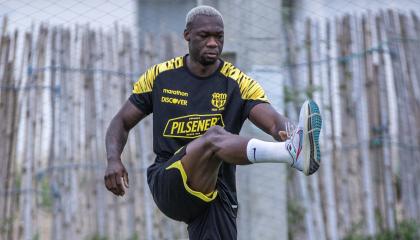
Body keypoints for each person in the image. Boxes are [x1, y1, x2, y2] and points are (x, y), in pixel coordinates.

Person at [104, 5, 322, 240]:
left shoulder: (237, 82)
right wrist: (113, 159)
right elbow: (121, 122)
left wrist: (293, 133)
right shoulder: (160, 76)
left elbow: (272, 120)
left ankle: (294, 149)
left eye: (219, 37)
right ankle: (290, 154)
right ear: (187, 35)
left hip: (217, 191)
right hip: (170, 180)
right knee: (214, 137)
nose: (212, 43)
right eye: (204, 36)